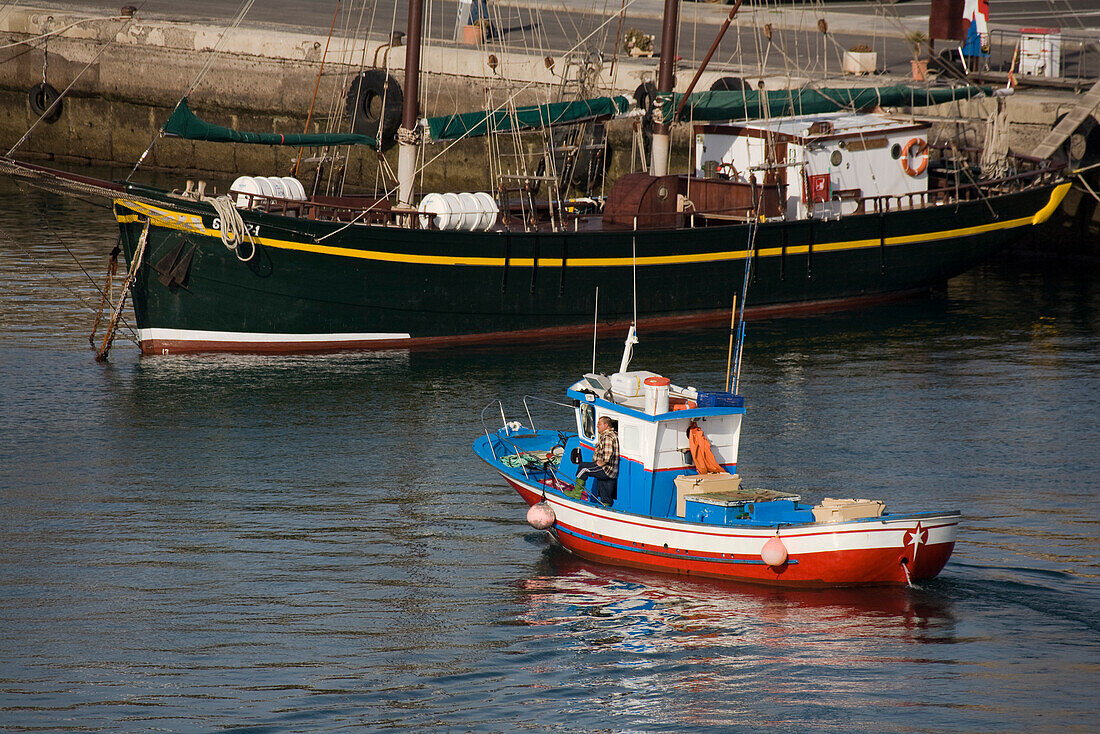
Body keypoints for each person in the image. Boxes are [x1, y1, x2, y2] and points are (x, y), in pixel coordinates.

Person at [574, 416, 619, 505]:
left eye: (599, 424)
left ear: (606, 425)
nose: (597, 426)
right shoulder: (612, 435)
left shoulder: (607, 437)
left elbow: (608, 453)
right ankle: (606, 509)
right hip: (612, 472)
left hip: (606, 469)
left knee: (583, 467)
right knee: (605, 497)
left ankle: (576, 493)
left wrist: (602, 462)